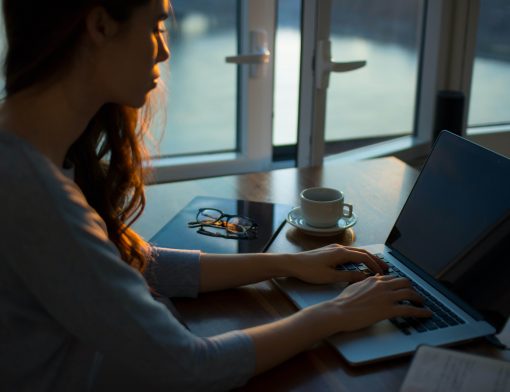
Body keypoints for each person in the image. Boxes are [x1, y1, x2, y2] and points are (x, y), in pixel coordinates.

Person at [0, 0, 432, 390]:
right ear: (100, 25)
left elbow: (133, 262)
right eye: (156, 26)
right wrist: (333, 314)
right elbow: (191, 366)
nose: (164, 50)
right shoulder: (36, 196)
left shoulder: (26, 155)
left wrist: (289, 263)